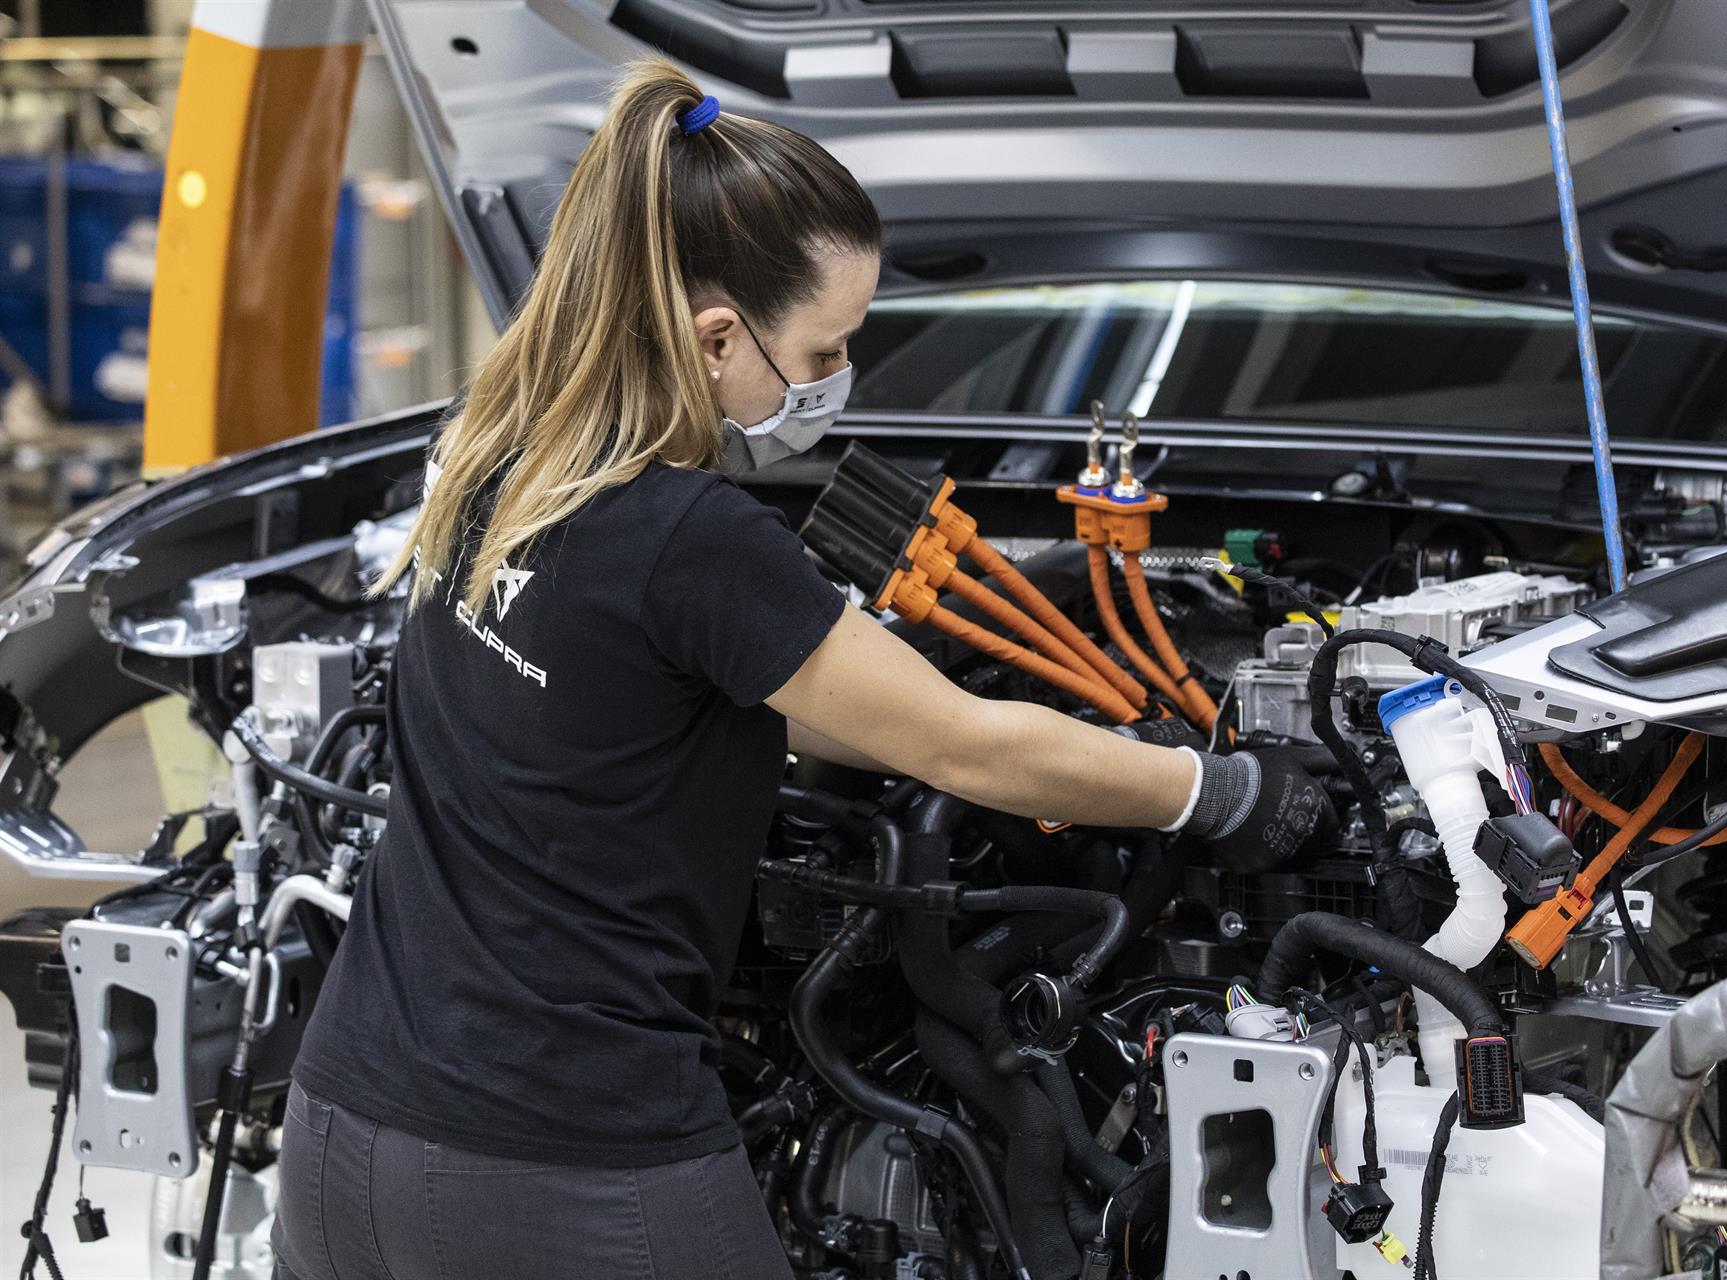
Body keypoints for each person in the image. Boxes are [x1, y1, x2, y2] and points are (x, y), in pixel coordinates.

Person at [274, 60, 1322, 1280]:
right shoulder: (692, 538)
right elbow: (966, 749)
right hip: (567, 1171)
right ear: (719, 337)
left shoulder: (494, 464)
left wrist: (890, 678)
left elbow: (676, 700)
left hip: (346, 1135)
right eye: (824, 347)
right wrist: (1223, 792)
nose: (834, 377)